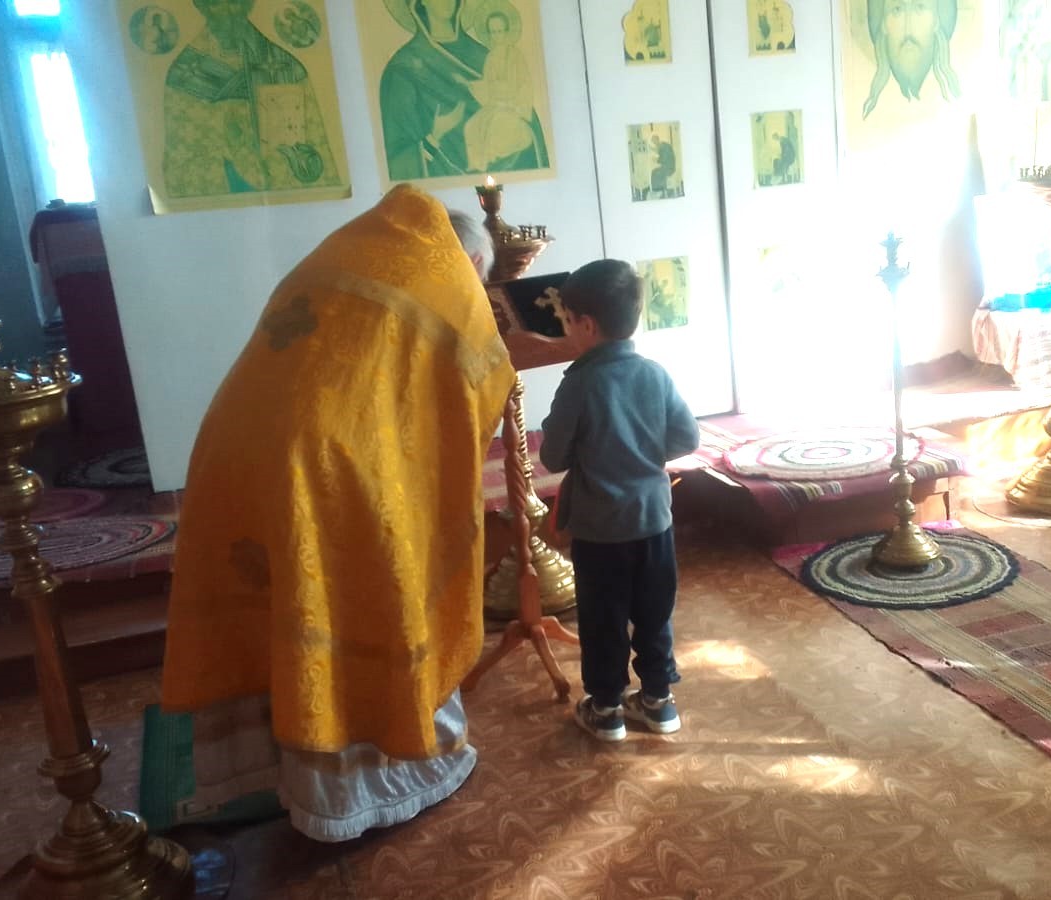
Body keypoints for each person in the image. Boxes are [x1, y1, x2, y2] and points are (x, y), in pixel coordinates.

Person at [159, 184, 515, 841]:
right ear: (470, 262)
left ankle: (285, 772)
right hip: (328, 460)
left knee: (283, 601)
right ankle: (359, 791)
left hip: (235, 443)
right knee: (359, 598)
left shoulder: (354, 249)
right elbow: (483, 381)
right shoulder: (444, 278)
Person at [538, 260, 701, 742]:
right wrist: (644, 455)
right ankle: (658, 702)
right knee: (654, 612)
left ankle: (607, 708)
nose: (567, 330)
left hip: (599, 531)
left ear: (587, 325)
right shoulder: (654, 374)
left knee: (603, 618)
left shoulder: (579, 383)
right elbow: (687, 438)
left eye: (567, 321)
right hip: (654, 522)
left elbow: (553, 456)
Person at [162, 0, 341, 197]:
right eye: (216, 3)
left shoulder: (287, 66)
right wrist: (228, 135)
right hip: (225, 188)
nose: (228, 12)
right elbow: (183, 153)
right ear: (202, 7)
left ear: (248, 4)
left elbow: (313, 143)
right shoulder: (184, 74)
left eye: (234, 2)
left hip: (281, 190)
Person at [380, 0, 549, 179]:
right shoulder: (402, 69)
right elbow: (397, 157)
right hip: (441, 189)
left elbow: (526, 112)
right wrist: (435, 135)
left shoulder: (486, 56)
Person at [462, 6, 538, 171]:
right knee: (471, 125)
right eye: (493, 32)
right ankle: (477, 164)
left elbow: (524, 84)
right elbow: (488, 85)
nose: (497, 36)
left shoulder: (516, 55)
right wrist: (471, 84)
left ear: (507, 32)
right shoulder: (490, 57)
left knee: (497, 126)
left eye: (500, 31)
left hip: (513, 106)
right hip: (494, 105)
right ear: (489, 34)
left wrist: (516, 106)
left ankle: (489, 159)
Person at [862, 0, 961, 118]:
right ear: (883, 24)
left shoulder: (952, 108)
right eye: (897, 10)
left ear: (936, 20)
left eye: (920, 7)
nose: (908, 29)